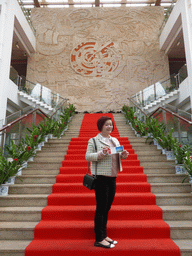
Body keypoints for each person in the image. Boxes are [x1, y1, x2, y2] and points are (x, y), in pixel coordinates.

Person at [85, 116, 129, 249]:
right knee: (101, 208)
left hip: (112, 177)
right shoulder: (94, 140)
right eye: (106, 125)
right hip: (101, 178)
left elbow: (118, 154)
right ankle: (99, 238)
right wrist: (100, 154)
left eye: (111, 125)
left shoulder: (114, 140)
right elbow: (88, 156)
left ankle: (104, 235)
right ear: (100, 126)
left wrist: (123, 155)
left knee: (107, 207)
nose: (109, 127)